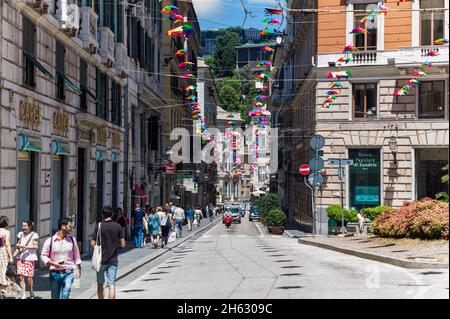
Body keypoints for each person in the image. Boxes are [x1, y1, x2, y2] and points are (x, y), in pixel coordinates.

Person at [41, 217, 81, 299]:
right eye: (70, 226)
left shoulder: (72, 240)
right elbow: (43, 255)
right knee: (55, 296)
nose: (72, 228)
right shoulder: (50, 241)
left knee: (65, 294)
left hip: (69, 272)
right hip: (55, 273)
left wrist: (78, 269)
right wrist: (52, 263)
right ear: (63, 226)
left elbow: (76, 255)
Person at [91, 206, 125, 299]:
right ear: (112, 215)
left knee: (100, 284)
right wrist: (115, 245)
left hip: (100, 260)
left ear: (102, 215)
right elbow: (123, 244)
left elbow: (93, 243)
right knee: (112, 285)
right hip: (113, 259)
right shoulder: (117, 226)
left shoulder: (99, 226)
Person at [15, 219, 39, 299]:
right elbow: (18, 244)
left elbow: (36, 246)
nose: (23, 227)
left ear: (29, 226)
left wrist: (25, 247)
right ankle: (23, 294)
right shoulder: (20, 234)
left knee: (29, 277)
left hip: (30, 258)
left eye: (25, 226)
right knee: (21, 277)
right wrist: (18, 246)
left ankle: (31, 290)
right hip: (21, 257)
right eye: (23, 226)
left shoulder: (34, 235)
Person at [0, 215, 20, 299]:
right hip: (2, 252)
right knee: (3, 272)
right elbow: (7, 244)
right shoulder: (6, 232)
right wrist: (11, 257)